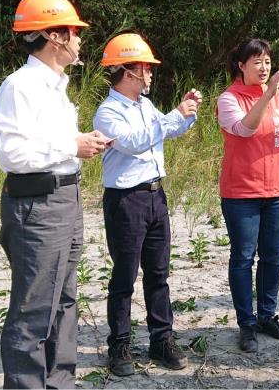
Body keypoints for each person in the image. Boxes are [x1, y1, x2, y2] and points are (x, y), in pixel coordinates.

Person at [0, 0, 113, 389]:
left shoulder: (55, 87)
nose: (79, 40)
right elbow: (12, 154)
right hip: (37, 207)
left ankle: (59, 383)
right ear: (55, 36)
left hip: (65, 200)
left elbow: (46, 144)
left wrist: (82, 141)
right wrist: (70, 146)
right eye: (74, 32)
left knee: (63, 302)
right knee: (33, 311)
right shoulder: (20, 85)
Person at [92, 33, 202, 376]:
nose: (151, 74)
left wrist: (186, 113)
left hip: (156, 196)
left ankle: (161, 339)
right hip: (126, 200)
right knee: (124, 276)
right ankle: (119, 345)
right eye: (146, 69)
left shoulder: (144, 106)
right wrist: (173, 114)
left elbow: (165, 132)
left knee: (158, 273)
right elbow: (136, 143)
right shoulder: (107, 112)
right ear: (129, 71)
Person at [216, 38, 279, 353]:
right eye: (256, 62)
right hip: (241, 193)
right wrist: (268, 94)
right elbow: (244, 129)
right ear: (241, 65)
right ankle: (246, 324)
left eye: (267, 62)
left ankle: (267, 317)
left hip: (277, 191)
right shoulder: (228, 98)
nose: (263, 68)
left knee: (273, 258)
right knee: (243, 257)